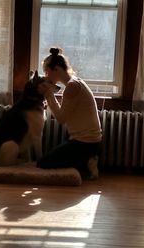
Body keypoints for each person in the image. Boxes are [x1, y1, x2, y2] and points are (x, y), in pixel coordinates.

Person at [37, 47, 102, 179]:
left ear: (56, 69)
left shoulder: (72, 87)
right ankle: (86, 160)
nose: (46, 76)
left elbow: (61, 118)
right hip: (89, 141)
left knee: (43, 163)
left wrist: (48, 94)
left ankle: (85, 164)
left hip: (85, 143)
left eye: (46, 71)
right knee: (58, 154)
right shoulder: (76, 82)